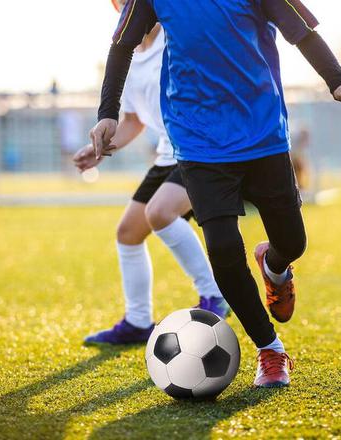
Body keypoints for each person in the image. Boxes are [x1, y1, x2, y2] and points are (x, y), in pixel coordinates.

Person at [88, 0, 341, 387]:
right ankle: (270, 349)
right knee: (221, 247)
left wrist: (338, 80)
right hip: (197, 139)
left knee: (293, 241)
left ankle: (274, 266)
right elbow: (122, 45)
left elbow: (302, 32)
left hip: (262, 133)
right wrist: (108, 112)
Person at [75, 3, 230, 345]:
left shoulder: (175, 37)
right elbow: (133, 120)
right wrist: (101, 148)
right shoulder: (124, 55)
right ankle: (138, 321)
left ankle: (215, 294)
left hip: (202, 149)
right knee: (128, 233)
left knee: (160, 213)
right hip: (167, 155)